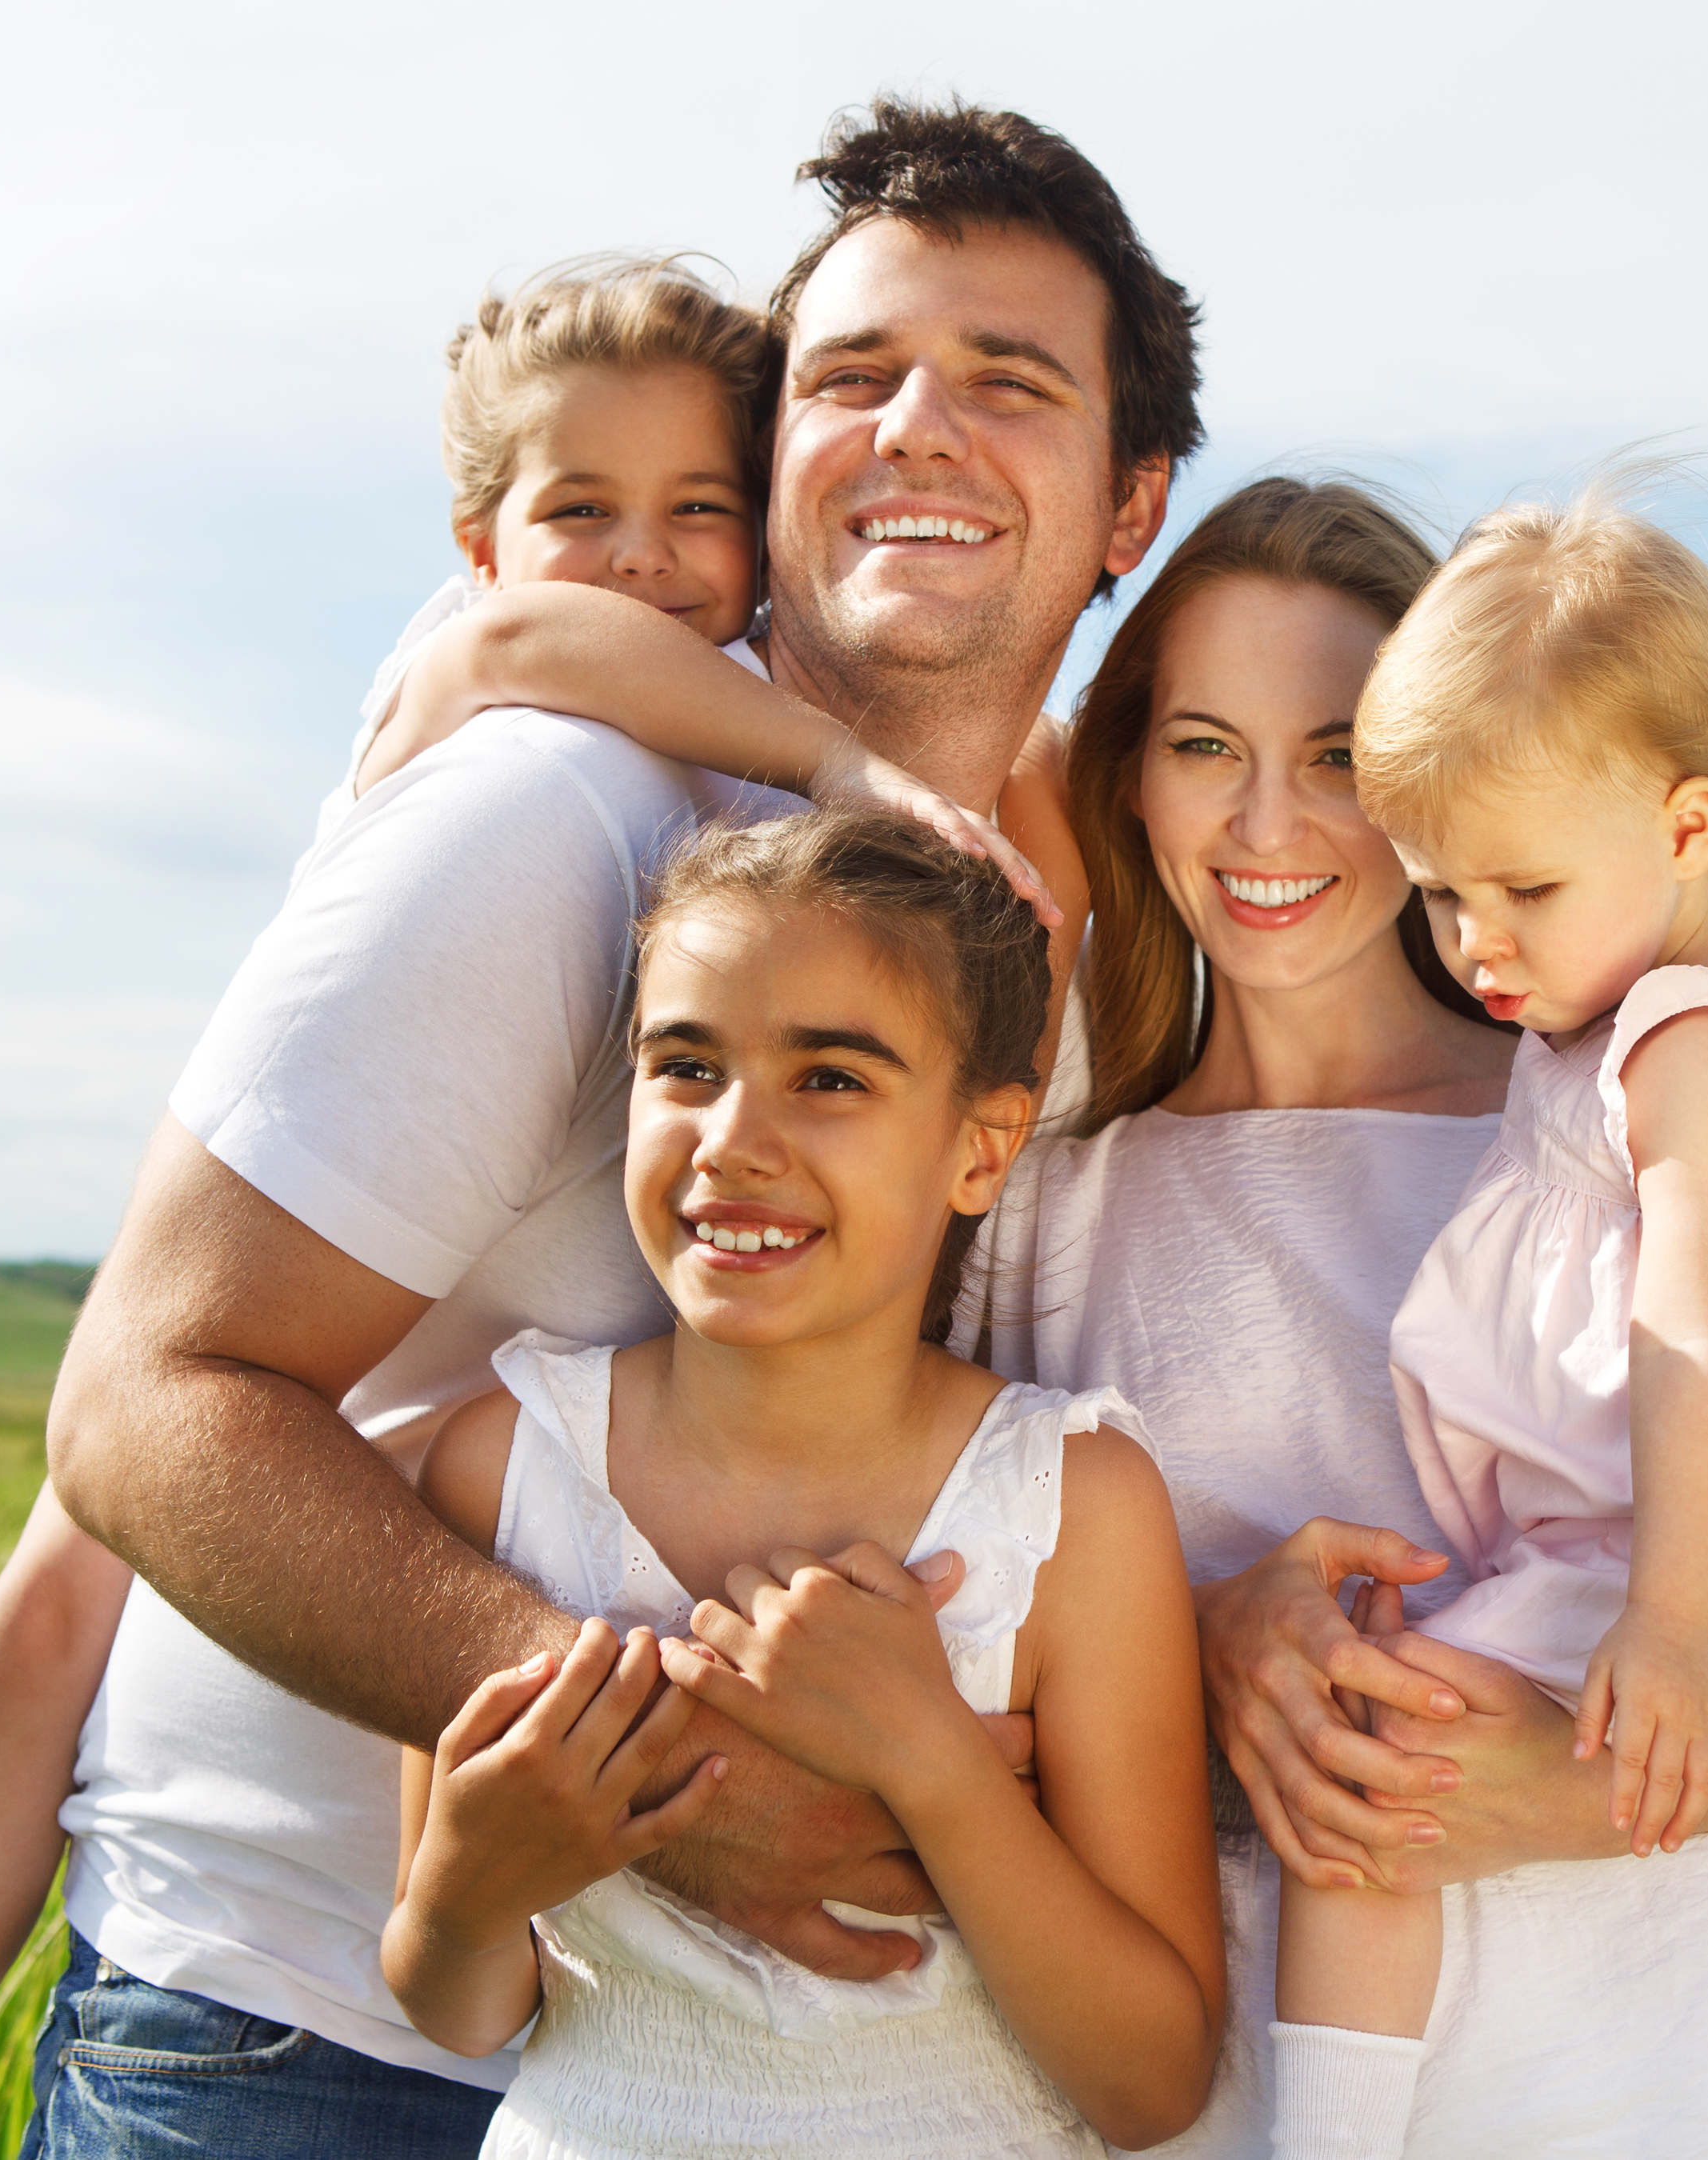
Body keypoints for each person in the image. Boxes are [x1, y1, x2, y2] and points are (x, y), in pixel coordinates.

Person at [0, 90, 1197, 2150]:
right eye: (851, 377)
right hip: (302, 2027)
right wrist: (673, 1775)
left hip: (753, 2084)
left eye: (1008, 383)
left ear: (1128, 499)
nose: (913, 433)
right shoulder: (554, 819)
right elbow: (137, 1410)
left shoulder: (1058, 926)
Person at [971, 475, 1708, 2158]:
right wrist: (1206, 1640)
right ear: (1127, 770)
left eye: (1334, 755)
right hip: (1270, 2089)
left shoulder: (1616, 1118)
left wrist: (1579, 1800)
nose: (1266, 825)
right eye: (1196, 744)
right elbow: (975, 1647)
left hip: (1681, 2064)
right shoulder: (1054, 1198)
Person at [384, 813, 1223, 2155]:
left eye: (830, 1079)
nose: (732, 1139)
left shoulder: (1073, 1505)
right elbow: (461, 2010)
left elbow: (1154, 2083)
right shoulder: (503, 1464)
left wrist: (928, 1755)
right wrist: (469, 1893)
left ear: (981, 1148)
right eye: (687, 1066)